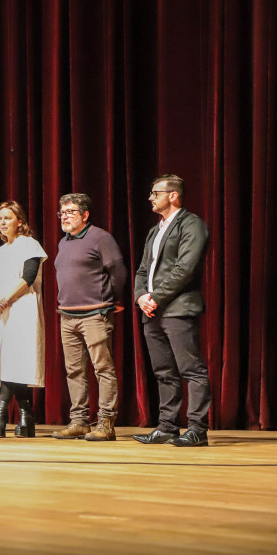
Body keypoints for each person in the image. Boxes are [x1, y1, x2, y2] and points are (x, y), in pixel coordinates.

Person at [132, 175, 211, 447]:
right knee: (163, 372)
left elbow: (185, 269)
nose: (150, 198)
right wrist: (140, 296)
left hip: (178, 308)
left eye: (155, 193)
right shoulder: (155, 231)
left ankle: (197, 429)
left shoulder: (191, 224)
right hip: (152, 311)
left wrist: (155, 297)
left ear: (173, 195)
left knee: (192, 370)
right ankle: (167, 426)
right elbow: (143, 269)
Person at [51, 193, 127, 441]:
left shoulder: (100, 238)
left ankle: (106, 422)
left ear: (85, 215)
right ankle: (79, 421)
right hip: (67, 316)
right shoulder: (64, 242)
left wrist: (109, 299)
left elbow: (118, 271)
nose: (65, 217)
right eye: (62, 213)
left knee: (102, 368)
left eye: (70, 212)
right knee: (74, 371)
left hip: (95, 314)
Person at [0, 201, 47, 438]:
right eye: (0, 218)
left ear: (20, 221)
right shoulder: (0, 251)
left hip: (23, 308)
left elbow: (28, 277)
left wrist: (5, 300)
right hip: (3, 311)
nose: (3, 222)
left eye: (8, 218)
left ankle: (0, 418)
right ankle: (26, 418)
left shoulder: (29, 244)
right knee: (10, 362)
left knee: (15, 361)